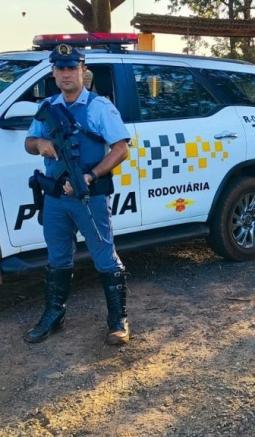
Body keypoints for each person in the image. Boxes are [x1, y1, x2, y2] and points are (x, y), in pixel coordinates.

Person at [23, 43, 132, 345]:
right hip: (56, 197)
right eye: (61, 68)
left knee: (104, 256)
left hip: (89, 196)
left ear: (83, 71)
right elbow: (30, 142)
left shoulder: (100, 107)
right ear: (54, 73)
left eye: (73, 68)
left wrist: (91, 174)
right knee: (58, 257)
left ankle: (118, 320)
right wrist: (40, 145)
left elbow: (121, 148)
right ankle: (53, 315)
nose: (67, 74)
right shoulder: (48, 106)